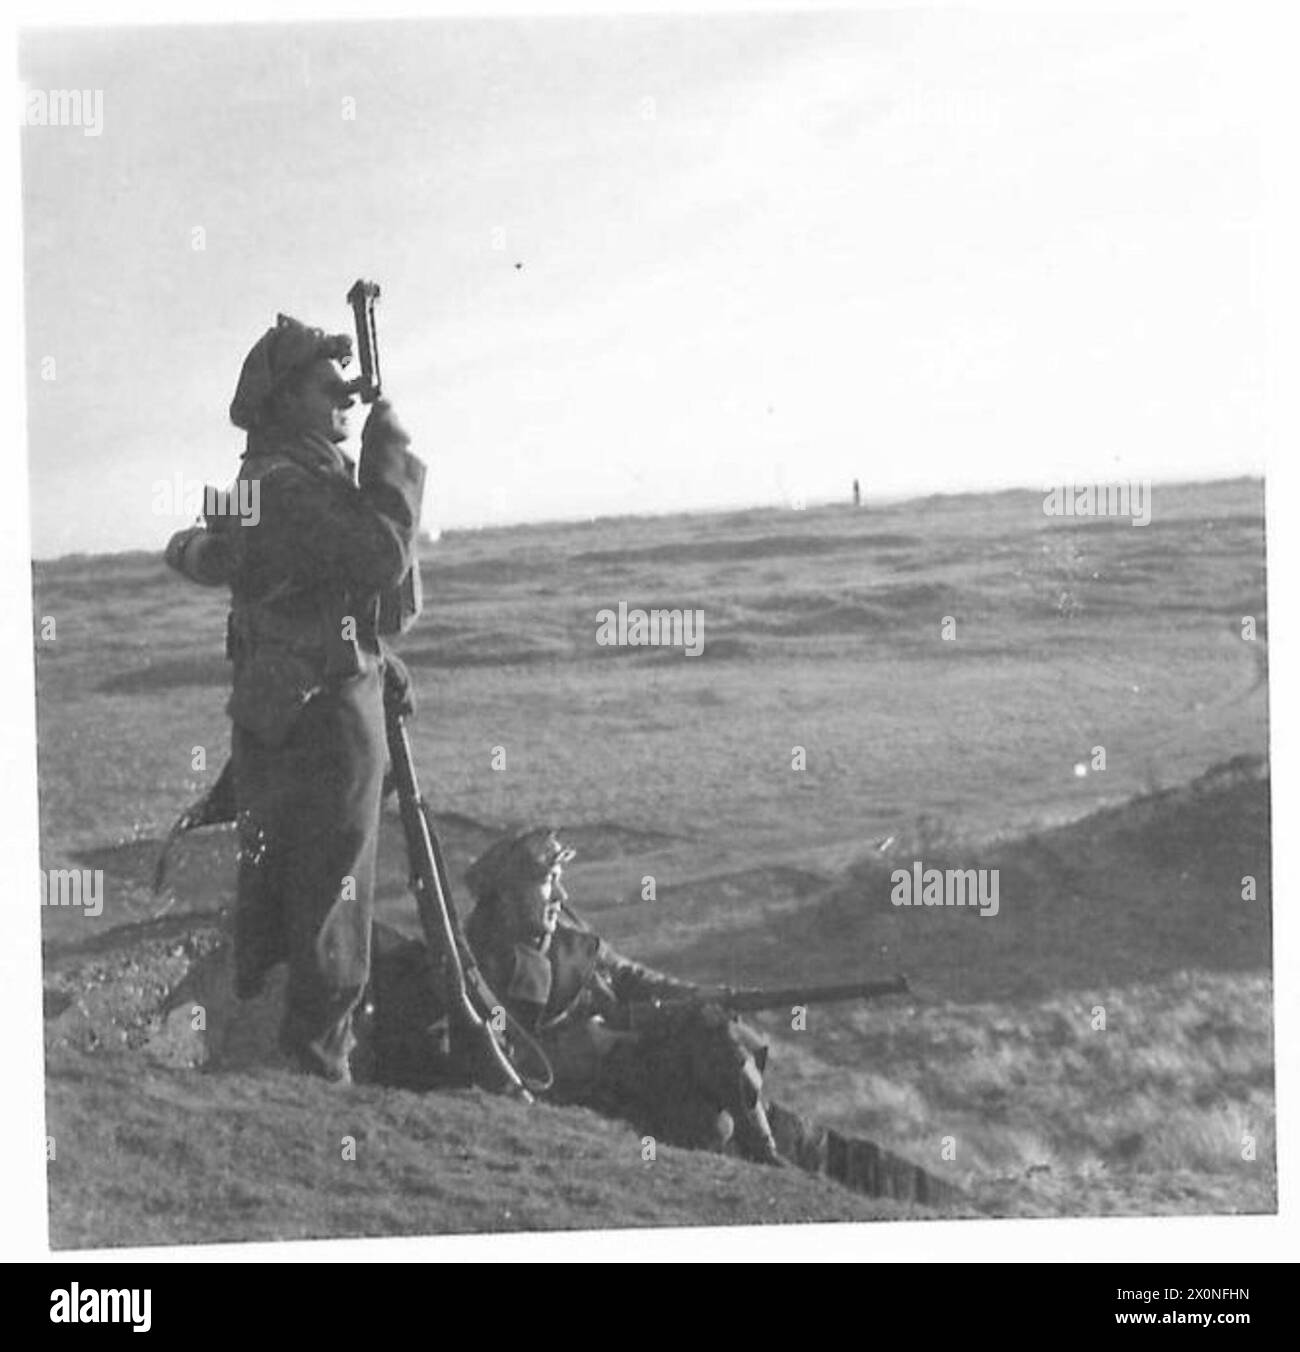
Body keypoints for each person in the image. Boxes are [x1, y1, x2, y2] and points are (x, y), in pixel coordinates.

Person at [165, 312, 425, 1083]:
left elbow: (314, 588)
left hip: (286, 708)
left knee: (290, 880)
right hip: (323, 718)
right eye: (326, 383)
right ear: (283, 399)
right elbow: (379, 556)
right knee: (331, 887)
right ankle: (315, 1066)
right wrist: (393, 451)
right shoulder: (286, 486)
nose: (344, 393)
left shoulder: (275, 480)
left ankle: (279, 1051)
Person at [460, 827, 783, 1162]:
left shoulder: (566, 935)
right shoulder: (479, 967)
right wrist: (576, 1048)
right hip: (584, 1098)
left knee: (712, 1033)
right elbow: (492, 1062)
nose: (561, 894)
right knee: (702, 1114)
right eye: (547, 882)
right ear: (508, 897)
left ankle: (765, 1153)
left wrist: (700, 995)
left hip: (621, 1066)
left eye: (558, 878)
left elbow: (629, 977)